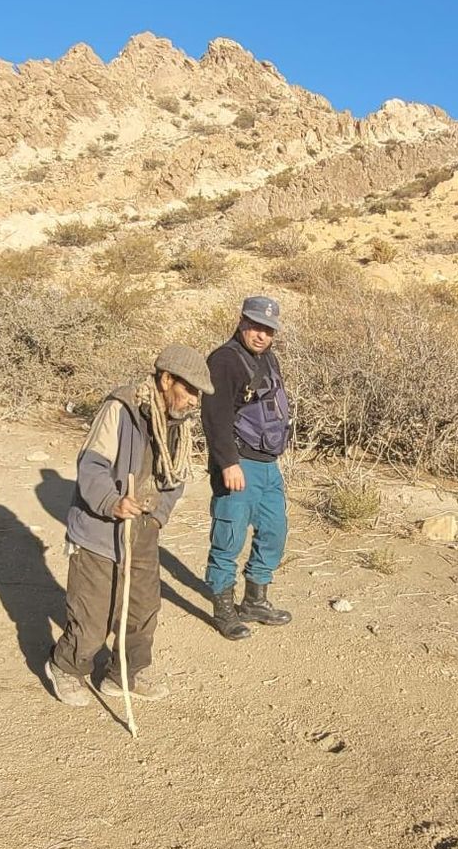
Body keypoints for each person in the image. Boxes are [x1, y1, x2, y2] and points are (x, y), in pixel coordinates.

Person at [45, 344, 214, 706]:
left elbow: (174, 477)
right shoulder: (120, 409)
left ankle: (124, 674)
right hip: (99, 532)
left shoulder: (176, 424)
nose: (194, 402)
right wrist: (112, 502)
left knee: (141, 612)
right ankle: (65, 667)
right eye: (190, 390)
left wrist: (156, 516)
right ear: (167, 379)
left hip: (143, 531)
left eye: (199, 394)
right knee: (92, 622)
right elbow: (91, 467)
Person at [202, 296, 292, 640]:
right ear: (241, 321)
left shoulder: (267, 358)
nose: (261, 334)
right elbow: (215, 417)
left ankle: (255, 600)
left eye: (268, 329)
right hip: (239, 464)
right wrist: (228, 463)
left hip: (268, 465)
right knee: (229, 536)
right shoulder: (224, 360)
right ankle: (223, 608)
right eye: (255, 326)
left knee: (274, 530)